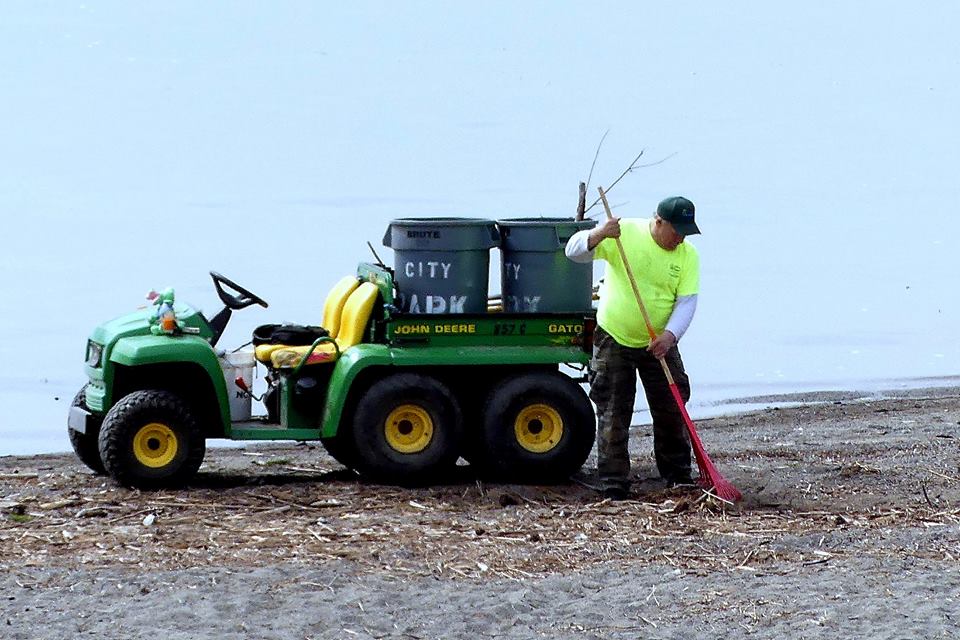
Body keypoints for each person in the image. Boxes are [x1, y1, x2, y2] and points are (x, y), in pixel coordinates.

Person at [565, 195, 701, 500]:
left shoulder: (688, 255)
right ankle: (614, 482)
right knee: (614, 410)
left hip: (659, 341)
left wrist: (670, 336)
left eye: (686, 232)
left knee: (672, 405)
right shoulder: (623, 233)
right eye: (677, 231)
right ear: (659, 222)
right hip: (615, 336)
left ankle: (678, 474)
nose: (680, 238)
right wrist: (599, 233)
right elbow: (573, 251)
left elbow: (687, 302)